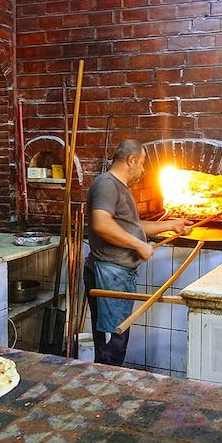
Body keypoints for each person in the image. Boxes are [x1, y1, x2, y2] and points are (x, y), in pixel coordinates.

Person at [84, 140, 191, 366]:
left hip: (118, 275)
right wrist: (139, 245)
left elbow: (132, 226)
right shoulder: (107, 184)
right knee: (111, 342)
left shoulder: (119, 188)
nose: (142, 170)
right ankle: (104, 390)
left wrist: (172, 225)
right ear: (130, 161)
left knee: (118, 339)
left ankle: (110, 385)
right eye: (141, 164)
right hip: (108, 275)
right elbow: (101, 224)